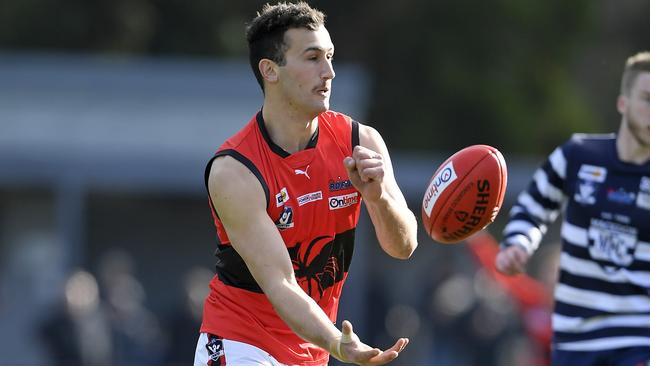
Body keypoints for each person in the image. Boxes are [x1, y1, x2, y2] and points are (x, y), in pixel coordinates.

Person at [194, 2, 418, 365]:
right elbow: (281, 284)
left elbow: (404, 246)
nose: (329, 71)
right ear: (270, 70)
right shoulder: (235, 170)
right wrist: (338, 344)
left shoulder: (362, 141)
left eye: (330, 56)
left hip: (312, 350)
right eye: (313, 58)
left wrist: (378, 200)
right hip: (240, 342)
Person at [495, 51, 650, 366]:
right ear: (623, 103)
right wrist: (517, 244)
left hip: (638, 338)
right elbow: (533, 207)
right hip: (574, 340)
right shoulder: (578, 155)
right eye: (647, 98)